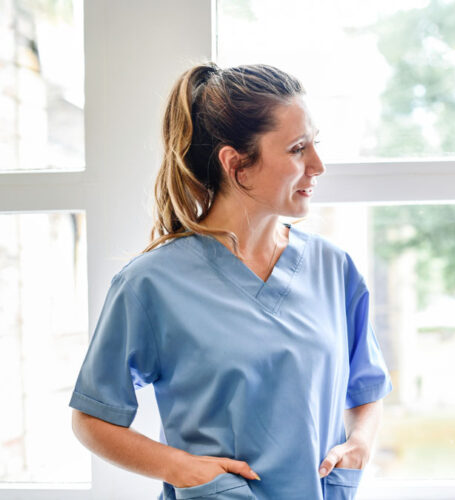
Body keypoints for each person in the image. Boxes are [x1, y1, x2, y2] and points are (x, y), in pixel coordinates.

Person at [69, 63, 392, 500]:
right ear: (236, 164)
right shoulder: (151, 284)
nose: (317, 165)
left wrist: (360, 445)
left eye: (315, 144)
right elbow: (93, 419)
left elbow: (367, 385)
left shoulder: (334, 269)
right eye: (298, 148)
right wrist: (181, 469)